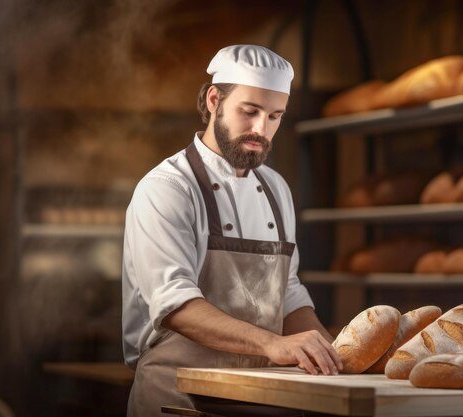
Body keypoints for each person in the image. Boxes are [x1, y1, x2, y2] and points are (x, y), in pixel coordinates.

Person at [122, 44, 342, 416]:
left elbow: (286, 293)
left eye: (275, 116)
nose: (261, 129)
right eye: (250, 111)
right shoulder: (168, 188)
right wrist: (273, 344)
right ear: (213, 100)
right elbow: (175, 305)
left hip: (260, 399)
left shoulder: (276, 189)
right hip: (177, 398)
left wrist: (330, 350)